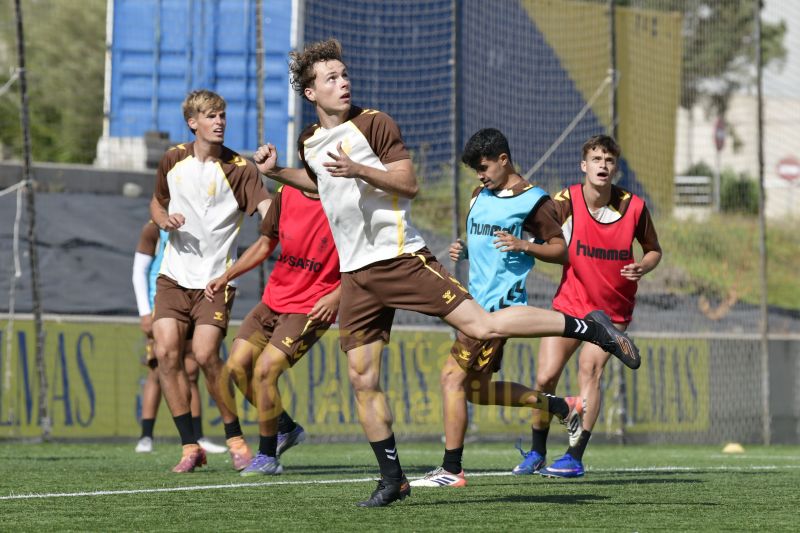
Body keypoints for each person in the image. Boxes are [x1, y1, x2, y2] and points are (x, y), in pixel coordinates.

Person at [254, 39, 640, 507]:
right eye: (331, 77)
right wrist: (278, 174)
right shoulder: (311, 140)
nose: (343, 81)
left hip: (398, 257)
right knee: (361, 377)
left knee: (483, 325)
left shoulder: (374, 124)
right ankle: (392, 478)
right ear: (310, 93)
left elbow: (408, 184)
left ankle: (589, 328)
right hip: (354, 274)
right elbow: (319, 182)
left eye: (344, 73)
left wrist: (359, 168)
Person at [410, 128, 585, 489]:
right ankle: (558, 406)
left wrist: (524, 245)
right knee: (474, 389)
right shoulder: (479, 194)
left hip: (496, 311)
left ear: (504, 160)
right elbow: (488, 241)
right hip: (470, 307)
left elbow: (561, 250)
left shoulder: (534, 201)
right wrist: (467, 247)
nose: (480, 174)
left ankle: (451, 469)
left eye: (485, 166)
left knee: (450, 379)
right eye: (476, 169)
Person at [514, 134, 661, 479]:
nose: (603, 166)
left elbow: (654, 249)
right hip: (570, 305)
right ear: (584, 166)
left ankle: (574, 456)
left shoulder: (634, 207)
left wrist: (645, 265)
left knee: (589, 371)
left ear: (615, 168)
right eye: (596, 159)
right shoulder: (568, 200)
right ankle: (537, 450)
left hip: (611, 314)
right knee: (545, 376)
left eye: (609, 161)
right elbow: (543, 230)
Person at [149, 89, 272, 473]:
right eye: (211, 116)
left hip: (215, 282)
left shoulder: (241, 169)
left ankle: (234, 435)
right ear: (193, 122)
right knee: (166, 354)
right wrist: (162, 219)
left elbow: (269, 216)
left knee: (204, 355)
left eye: (222, 115)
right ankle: (190, 446)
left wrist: (280, 193)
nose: (219, 122)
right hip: (173, 277)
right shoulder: (173, 159)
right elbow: (157, 202)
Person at [206, 184, 341, 476]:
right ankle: (285, 427)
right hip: (273, 300)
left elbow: (366, 259)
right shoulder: (286, 193)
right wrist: (226, 276)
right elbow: (266, 243)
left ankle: (267, 457)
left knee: (265, 371)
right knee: (237, 367)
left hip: (311, 306)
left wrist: (337, 295)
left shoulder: (345, 196)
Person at [131, 220, 227, 455]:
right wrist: (144, 312)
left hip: (195, 299)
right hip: (162, 303)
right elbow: (139, 270)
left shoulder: (200, 222)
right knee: (158, 369)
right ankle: (146, 436)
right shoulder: (154, 228)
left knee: (192, 371)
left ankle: (197, 436)